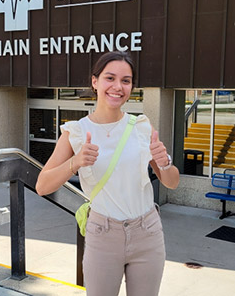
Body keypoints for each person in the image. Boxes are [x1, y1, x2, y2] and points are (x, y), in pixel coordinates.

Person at [36, 51, 179, 296]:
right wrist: (75, 162)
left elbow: (172, 182)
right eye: (109, 78)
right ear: (95, 82)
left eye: (126, 80)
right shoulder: (76, 132)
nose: (117, 87)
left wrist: (164, 163)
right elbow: (42, 186)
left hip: (147, 232)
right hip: (102, 234)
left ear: (132, 86)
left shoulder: (141, 127)